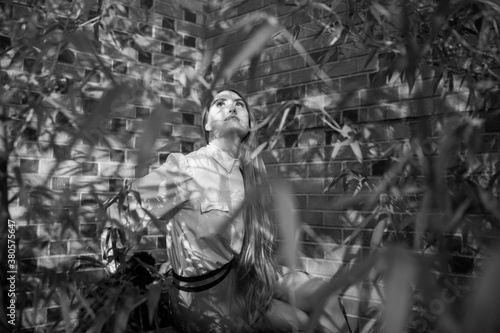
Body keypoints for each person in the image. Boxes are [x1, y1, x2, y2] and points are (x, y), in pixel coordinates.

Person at [126, 90, 350, 332]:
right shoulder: (187, 168)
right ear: (207, 123)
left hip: (247, 277)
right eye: (220, 104)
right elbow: (126, 208)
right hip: (207, 297)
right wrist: (118, 274)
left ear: (249, 122)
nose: (232, 108)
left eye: (239, 104)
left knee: (324, 295)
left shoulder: (250, 173)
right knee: (300, 323)